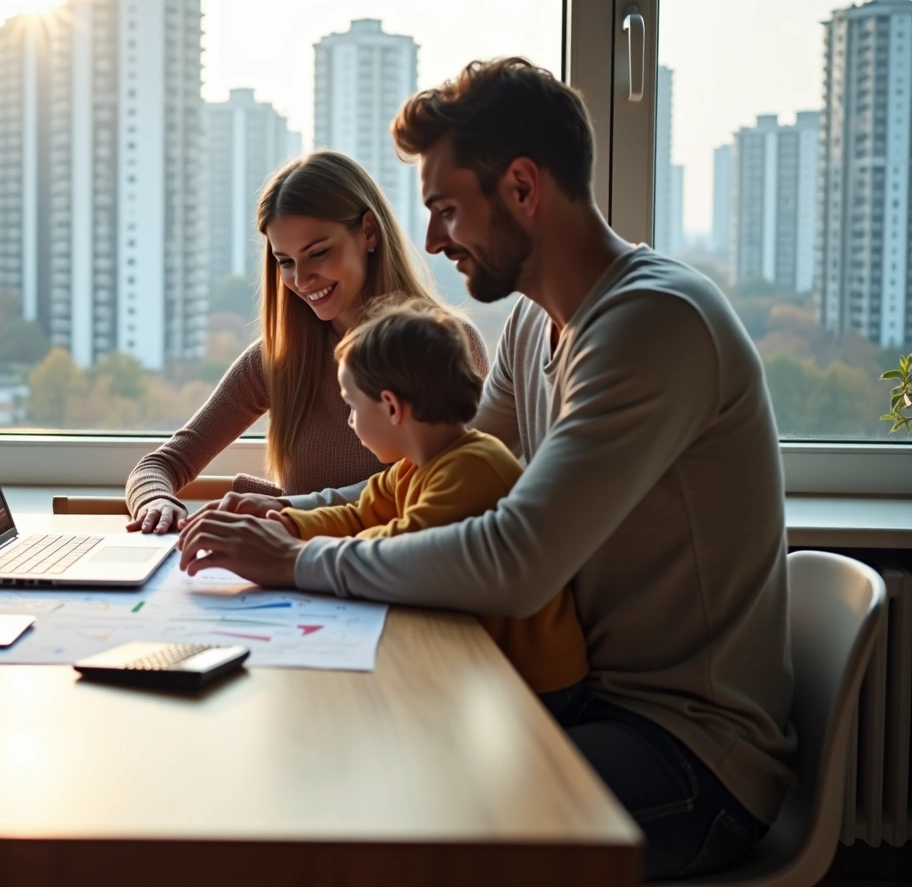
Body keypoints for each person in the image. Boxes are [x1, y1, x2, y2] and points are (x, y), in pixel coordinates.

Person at [176, 58, 795, 880]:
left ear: (523, 187)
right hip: (586, 700)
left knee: (390, 818)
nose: (432, 240)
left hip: (688, 751)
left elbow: (514, 560)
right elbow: (430, 474)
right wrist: (290, 516)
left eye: (445, 209)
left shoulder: (653, 323)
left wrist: (297, 559)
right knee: (340, 764)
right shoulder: (538, 328)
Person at [123, 150, 487, 535]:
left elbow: (441, 487)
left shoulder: (449, 346)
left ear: (368, 231)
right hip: (293, 568)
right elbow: (160, 465)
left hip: (398, 569)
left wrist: (288, 508)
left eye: (318, 253)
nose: (302, 279)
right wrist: (156, 502)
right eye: (286, 261)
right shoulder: (279, 358)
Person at [274, 296, 586, 701]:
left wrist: (291, 555)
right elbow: (358, 516)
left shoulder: (473, 468)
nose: (350, 421)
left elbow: (405, 547)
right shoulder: (413, 467)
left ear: (391, 407)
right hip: (484, 660)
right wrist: (286, 524)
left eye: (352, 406)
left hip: (540, 681)